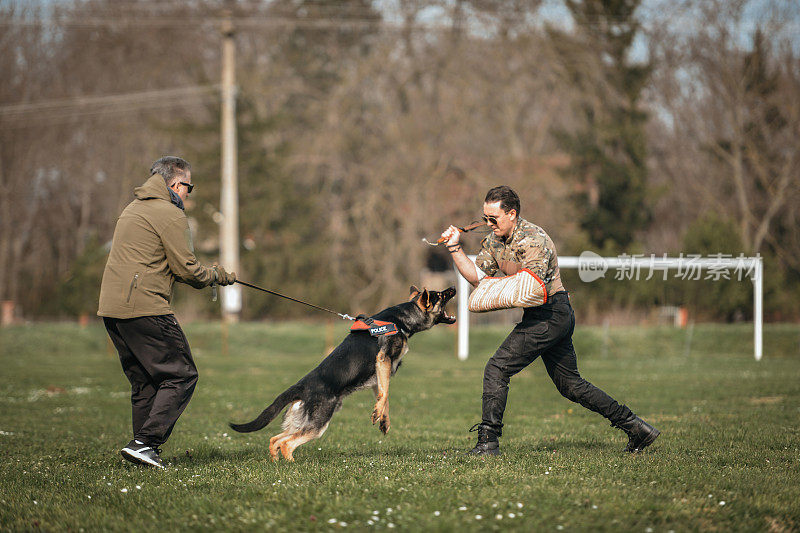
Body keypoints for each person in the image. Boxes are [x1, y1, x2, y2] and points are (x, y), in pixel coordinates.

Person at [441, 185, 659, 456]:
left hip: (552, 313)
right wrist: (454, 248)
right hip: (540, 315)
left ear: (512, 213)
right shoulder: (495, 240)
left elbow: (530, 289)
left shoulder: (534, 239)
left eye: (493, 219)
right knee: (571, 386)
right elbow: (476, 278)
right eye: (485, 218)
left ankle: (488, 442)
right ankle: (636, 427)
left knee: (497, 368)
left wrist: (492, 289)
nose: (488, 224)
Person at [98, 156, 236, 468]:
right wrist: (218, 276)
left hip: (112, 310)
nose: (189, 192)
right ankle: (146, 443)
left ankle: (141, 451)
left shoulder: (133, 209)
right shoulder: (169, 214)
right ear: (175, 184)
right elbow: (187, 269)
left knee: (147, 382)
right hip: (145, 308)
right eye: (189, 186)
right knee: (182, 375)